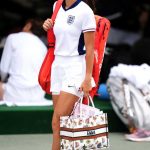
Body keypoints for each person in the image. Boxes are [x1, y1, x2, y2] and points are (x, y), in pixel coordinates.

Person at [43, 0, 96, 149]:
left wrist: (87, 78)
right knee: (60, 125)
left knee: (57, 121)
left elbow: (90, 49)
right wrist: (48, 25)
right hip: (58, 66)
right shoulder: (56, 5)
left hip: (75, 68)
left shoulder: (85, 11)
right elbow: (59, 33)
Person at [0, 18, 47, 103]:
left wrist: (2, 80)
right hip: (37, 95)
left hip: (14, 94)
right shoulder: (43, 47)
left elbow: (3, 70)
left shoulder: (12, 38)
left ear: (28, 25)